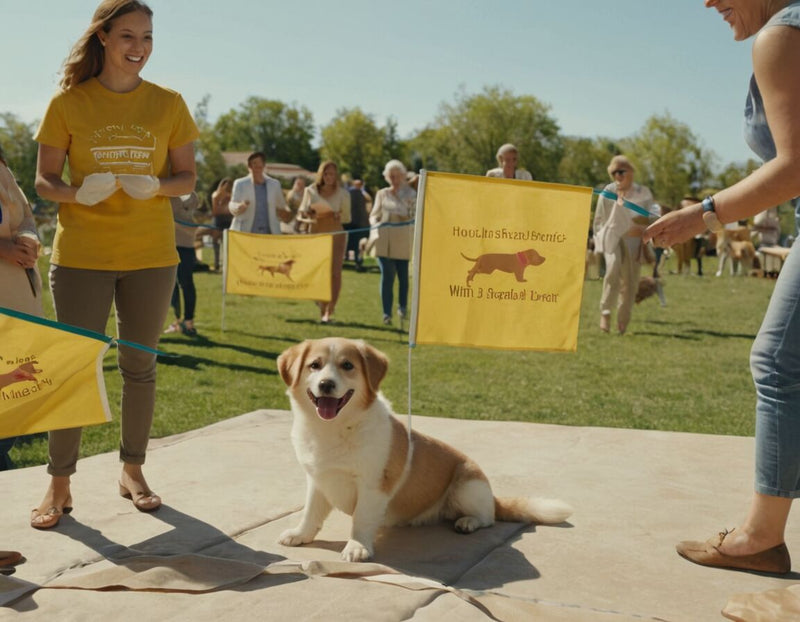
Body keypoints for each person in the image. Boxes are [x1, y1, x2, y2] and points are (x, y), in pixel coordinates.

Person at [644, 0, 800, 575]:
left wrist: (703, 213)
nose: (707, 2)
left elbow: (794, 166)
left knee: (778, 363)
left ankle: (760, 538)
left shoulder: (781, 35)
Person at [32, 0, 199, 528]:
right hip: (82, 257)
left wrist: (158, 187)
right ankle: (59, 483)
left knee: (139, 367)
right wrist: (76, 194)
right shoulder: (68, 103)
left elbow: (187, 177)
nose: (139, 48)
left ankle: (133, 471)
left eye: (147, 37)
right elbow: (44, 181)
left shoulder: (170, 104)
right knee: (74, 368)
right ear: (103, 37)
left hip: (152, 257)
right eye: (128, 36)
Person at [0, 153, 43, 472]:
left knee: (14, 385)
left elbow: (25, 214)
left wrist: (30, 238)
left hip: (17, 297)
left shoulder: (2, 167)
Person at [593, 155, 654, 334]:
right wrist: (599, 241)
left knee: (631, 281)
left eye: (621, 171)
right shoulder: (608, 191)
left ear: (631, 171)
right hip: (612, 237)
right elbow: (599, 219)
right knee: (612, 271)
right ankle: (605, 312)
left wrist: (644, 232)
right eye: (614, 173)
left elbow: (652, 217)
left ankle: (623, 319)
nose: (618, 175)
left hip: (634, 240)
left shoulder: (643, 192)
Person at [298, 161, 351, 324]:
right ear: (321, 175)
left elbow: (347, 218)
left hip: (336, 234)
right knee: (318, 272)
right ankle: (321, 305)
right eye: (326, 174)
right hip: (316, 234)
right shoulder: (310, 191)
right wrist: (309, 214)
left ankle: (329, 310)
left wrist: (338, 215)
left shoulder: (343, 194)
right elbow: (301, 214)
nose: (329, 177)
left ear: (336, 176)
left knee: (335, 273)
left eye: (332, 174)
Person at [370, 160, 416, 326]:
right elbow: (373, 214)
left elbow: (413, 215)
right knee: (387, 276)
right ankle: (386, 314)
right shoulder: (382, 194)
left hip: (403, 239)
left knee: (403, 276)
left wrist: (403, 214)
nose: (394, 179)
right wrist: (375, 222)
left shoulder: (411, 194)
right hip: (384, 239)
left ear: (403, 176)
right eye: (391, 176)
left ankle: (402, 308)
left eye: (397, 176)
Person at [165, 192, 200, 337]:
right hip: (170, 244)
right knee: (172, 285)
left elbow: (192, 221)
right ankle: (178, 320)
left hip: (184, 245)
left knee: (186, 284)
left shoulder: (191, 196)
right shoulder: (169, 193)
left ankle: (188, 321)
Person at [229, 152, 288, 236]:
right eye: (254, 164)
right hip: (246, 233)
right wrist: (239, 207)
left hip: (269, 234)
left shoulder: (274, 184)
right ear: (249, 167)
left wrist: (285, 213)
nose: (257, 167)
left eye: (259, 164)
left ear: (263, 166)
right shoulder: (240, 184)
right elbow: (232, 204)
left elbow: (282, 206)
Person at [342, 176, 370, 271]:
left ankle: (357, 262)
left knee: (355, 244)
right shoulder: (352, 193)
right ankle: (354, 261)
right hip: (351, 223)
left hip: (356, 223)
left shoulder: (360, 193)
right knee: (352, 243)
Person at [210, 177, 233, 271]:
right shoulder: (216, 195)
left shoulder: (232, 195)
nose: (227, 187)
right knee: (215, 242)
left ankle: (226, 264)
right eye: (225, 185)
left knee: (226, 243)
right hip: (218, 220)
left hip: (228, 220)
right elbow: (215, 210)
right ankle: (216, 263)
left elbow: (230, 209)